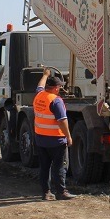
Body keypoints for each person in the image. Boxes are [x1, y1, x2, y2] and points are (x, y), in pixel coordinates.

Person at [33, 68, 75, 201]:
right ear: (56, 88)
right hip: (56, 140)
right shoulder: (56, 101)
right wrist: (68, 136)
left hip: (40, 138)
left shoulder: (39, 95)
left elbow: (40, 86)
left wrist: (45, 75)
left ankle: (46, 193)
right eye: (59, 87)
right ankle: (61, 192)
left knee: (44, 167)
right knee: (59, 166)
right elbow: (62, 121)